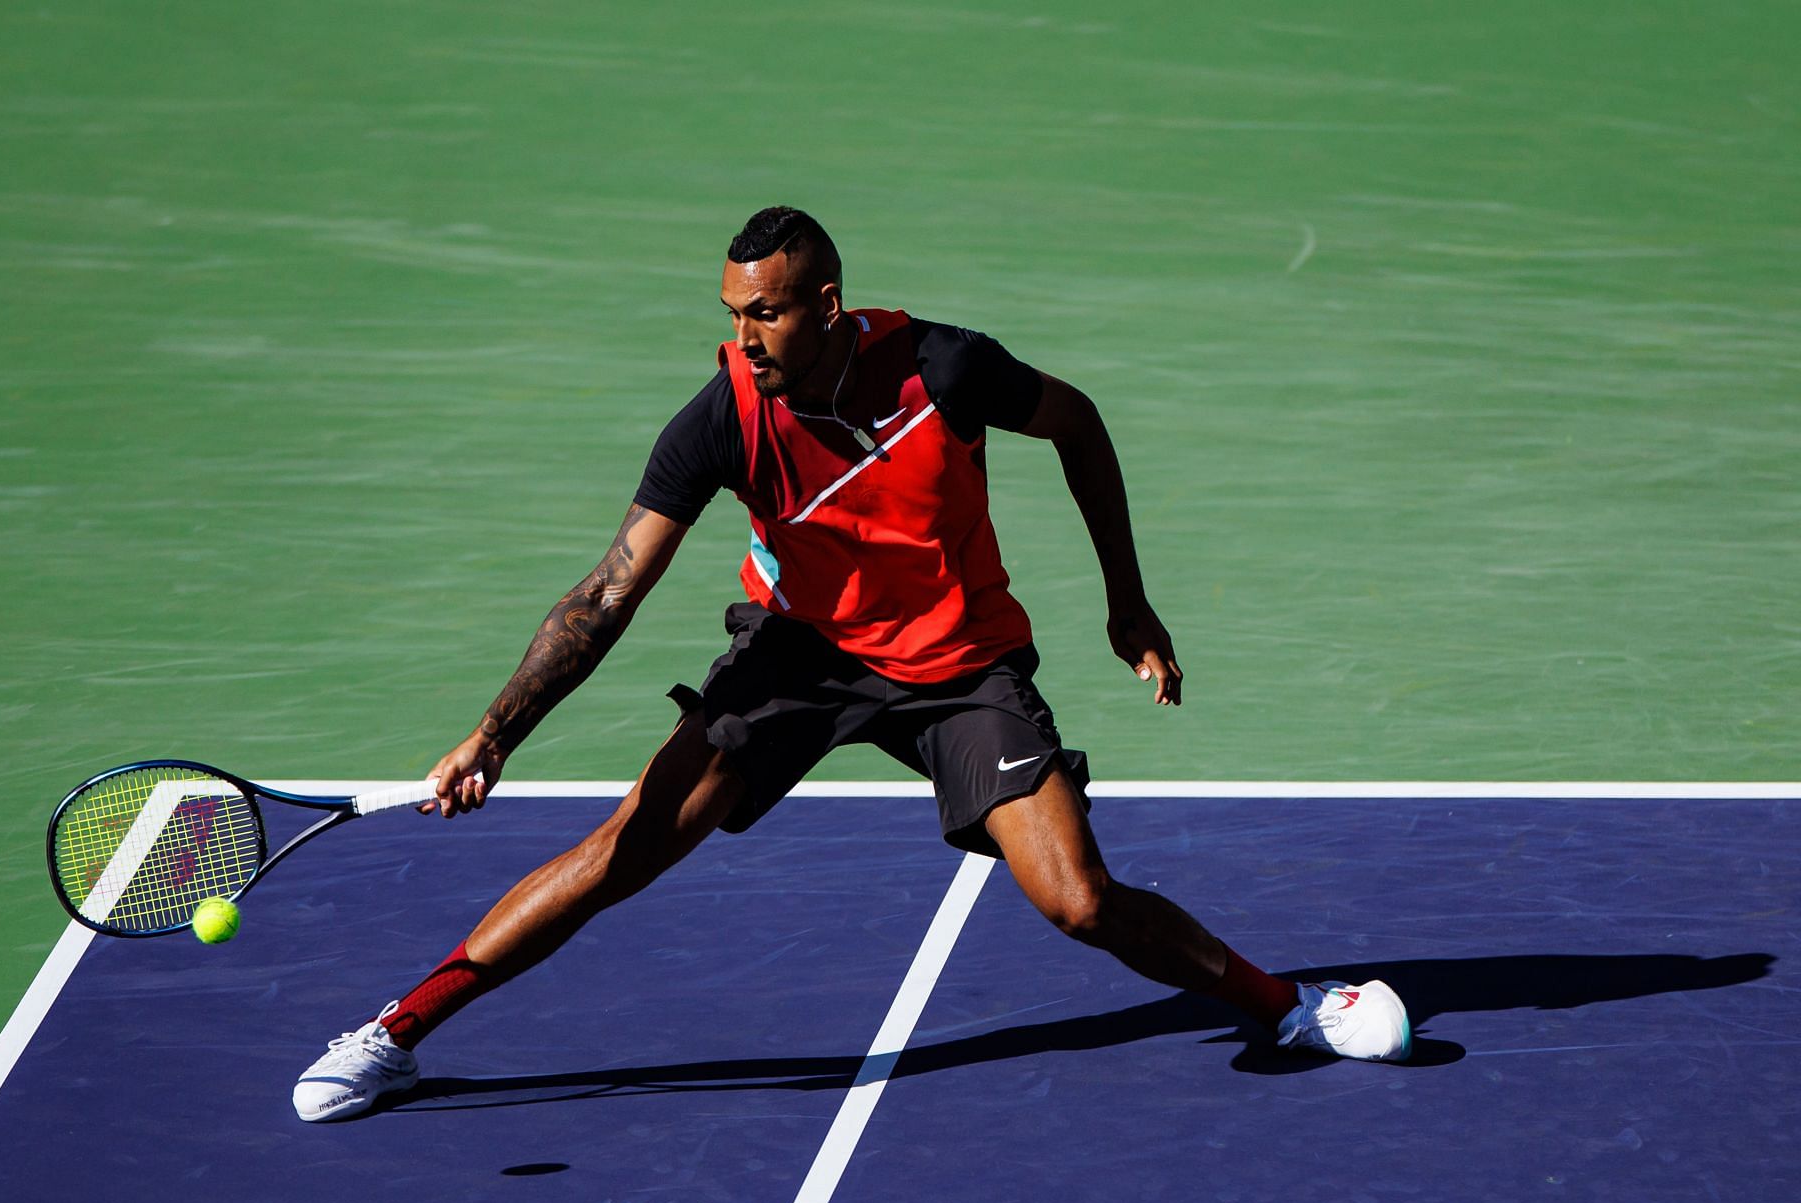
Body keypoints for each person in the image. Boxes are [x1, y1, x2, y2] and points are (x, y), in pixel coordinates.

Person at [292, 207, 1410, 1122]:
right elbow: (604, 593)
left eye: (767, 314)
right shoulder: (722, 418)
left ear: (825, 303)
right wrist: (493, 734)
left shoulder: (946, 368)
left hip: (961, 662)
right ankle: (395, 1033)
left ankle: (1291, 1001)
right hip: (801, 655)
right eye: (733, 317)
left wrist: (1128, 598)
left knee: (1076, 897)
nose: (747, 339)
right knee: (626, 846)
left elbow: (1078, 421)